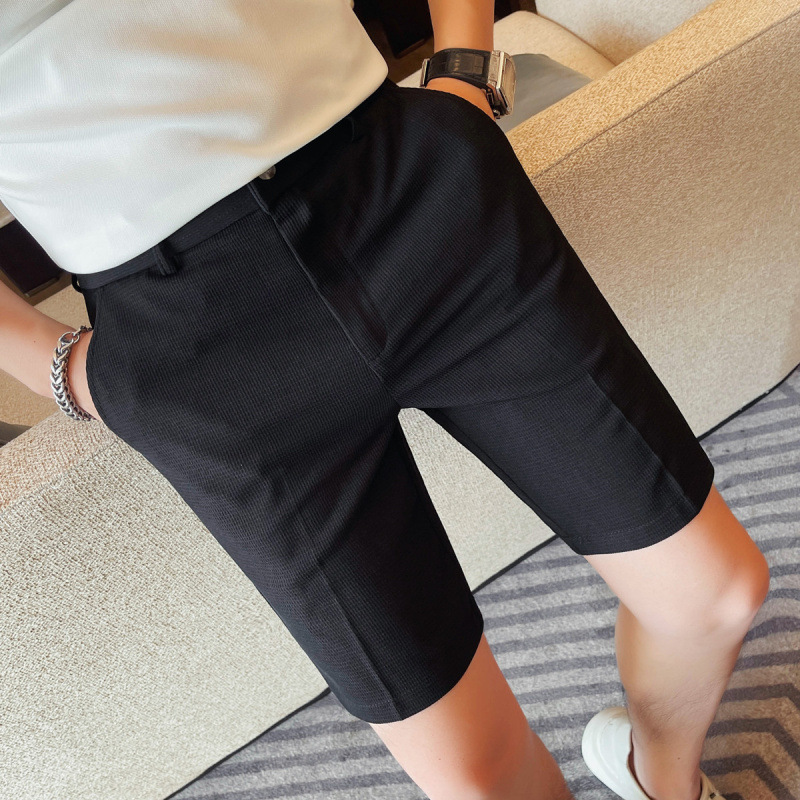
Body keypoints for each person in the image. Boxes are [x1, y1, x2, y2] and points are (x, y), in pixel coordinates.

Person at [0, 2, 770, 799]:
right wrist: (55, 362)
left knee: (713, 594)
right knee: (472, 770)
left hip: (404, 185)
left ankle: (660, 782)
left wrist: (465, 68)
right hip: (188, 338)